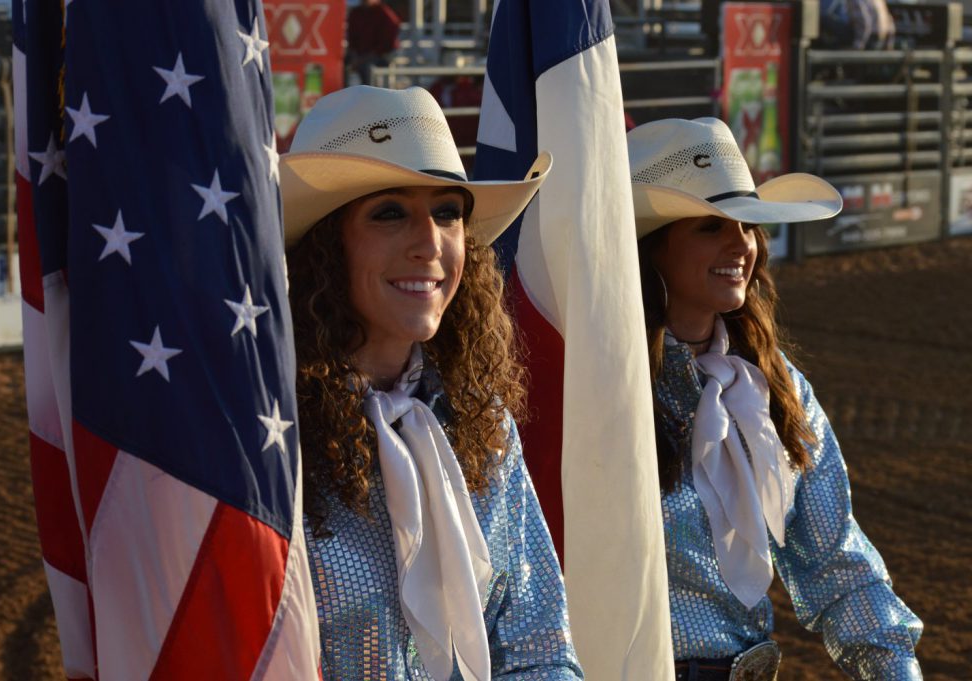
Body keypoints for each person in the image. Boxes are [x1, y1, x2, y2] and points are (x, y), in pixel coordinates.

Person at [278, 85, 581, 681]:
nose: (430, 242)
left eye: (448, 212)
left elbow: (540, 647)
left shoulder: (482, 423)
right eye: (390, 212)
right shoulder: (268, 434)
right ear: (325, 245)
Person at [627, 117, 923, 681]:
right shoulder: (598, 388)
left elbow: (834, 557)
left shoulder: (773, 384)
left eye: (746, 224)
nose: (741, 244)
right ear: (652, 248)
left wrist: (896, 670)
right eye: (711, 226)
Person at [346, 0, 401, 85]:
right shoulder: (356, 13)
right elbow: (351, 38)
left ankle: (370, 94)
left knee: (367, 67)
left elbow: (387, 44)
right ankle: (345, 93)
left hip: (381, 54)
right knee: (343, 65)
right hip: (360, 54)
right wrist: (354, 55)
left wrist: (363, 58)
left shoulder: (383, 12)